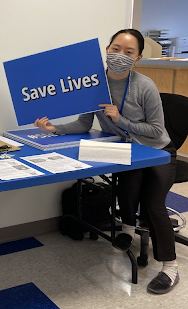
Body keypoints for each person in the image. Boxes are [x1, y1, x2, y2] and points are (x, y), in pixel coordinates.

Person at [34, 29, 179, 294]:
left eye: (128, 52)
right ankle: (127, 228)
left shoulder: (144, 86)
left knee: (152, 204)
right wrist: (53, 129)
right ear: (106, 50)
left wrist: (120, 120)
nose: (119, 55)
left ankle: (170, 266)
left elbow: (157, 131)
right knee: (125, 187)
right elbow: (83, 123)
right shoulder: (93, 84)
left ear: (138, 58)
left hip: (158, 151)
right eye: (115, 48)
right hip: (128, 151)